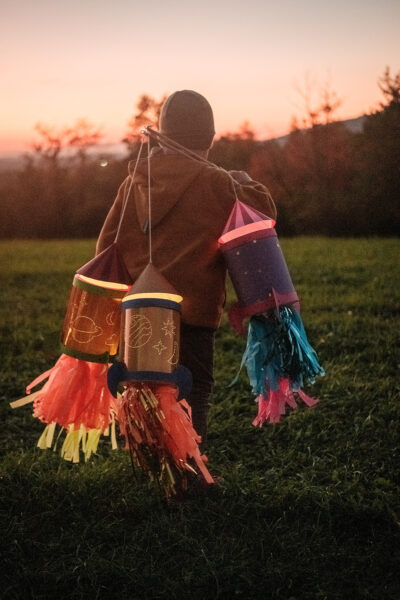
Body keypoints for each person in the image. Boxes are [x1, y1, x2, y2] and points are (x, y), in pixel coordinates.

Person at [96, 90, 276, 448]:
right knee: (193, 393)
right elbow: (264, 213)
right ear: (210, 139)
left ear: (162, 136)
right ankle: (190, 466)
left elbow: (105, 246)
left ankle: (153, 462)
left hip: (139, 315)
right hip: (192, 317)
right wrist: (242, 181)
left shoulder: (135, 182)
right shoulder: (217, 182)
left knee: (145, 391)